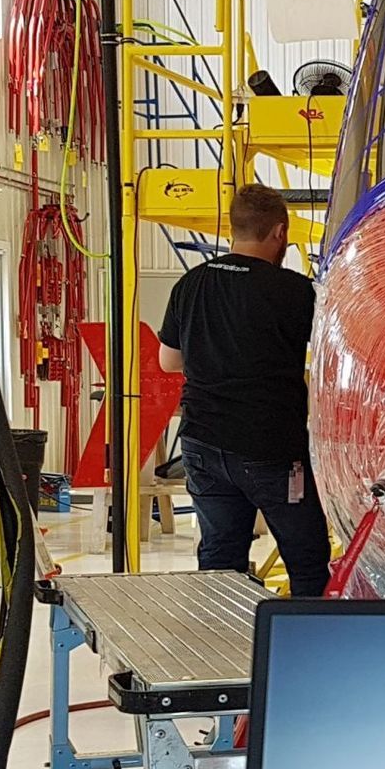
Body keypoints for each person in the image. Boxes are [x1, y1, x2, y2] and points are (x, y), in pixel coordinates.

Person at [157, 182, 331, 597]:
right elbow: (332, 359)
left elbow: (169, 361)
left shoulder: (191, 283)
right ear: (279, 233)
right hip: (270, 448)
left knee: (220, 560)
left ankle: (223, 650)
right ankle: (310, 652)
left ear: (233, 230)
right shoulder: (293, 291)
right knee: (306, 562)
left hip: (202, 445)